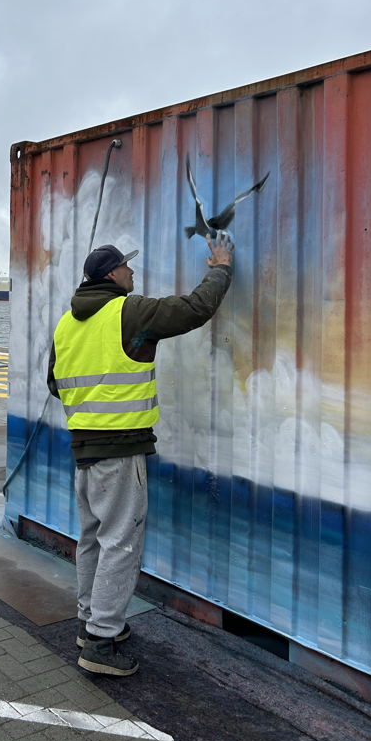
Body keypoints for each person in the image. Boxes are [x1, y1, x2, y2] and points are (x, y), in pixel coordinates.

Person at [48, 232, 234, 676]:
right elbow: (194, 309)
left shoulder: (67, 323)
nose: (132, 271)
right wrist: (221, 270)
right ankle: (101, 642)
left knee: (93, 538)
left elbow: (55, 384)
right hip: (120, 449)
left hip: (84, 450)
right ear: (112, 274)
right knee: (120, 543)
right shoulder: (129, 311)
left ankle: (89, 623)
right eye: (126, 265)